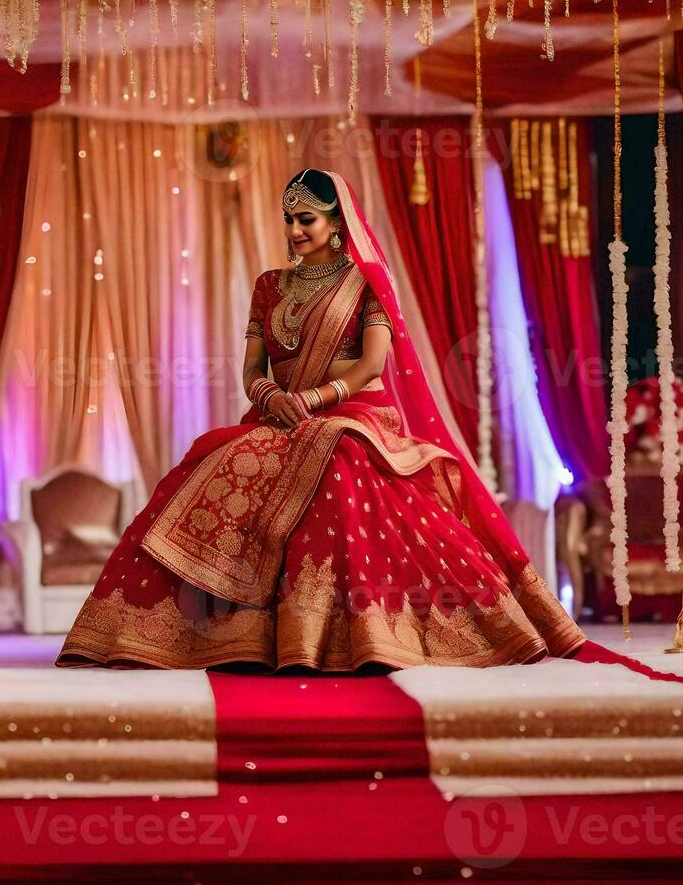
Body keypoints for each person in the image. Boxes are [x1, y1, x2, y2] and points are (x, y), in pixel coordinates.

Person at [58, 169, 583, 670]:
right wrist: (269, 394)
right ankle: (205, 631)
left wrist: (314, 399)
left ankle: (349, 630)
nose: (294, 230)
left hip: (353, 412)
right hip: (282, 413)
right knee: (218, 457)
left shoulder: (366, 283)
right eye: (289, 219)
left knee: (340, 456)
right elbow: (251, 368)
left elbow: (371, 364)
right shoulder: (270, 286)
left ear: (337, 223)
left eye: (306, 219)